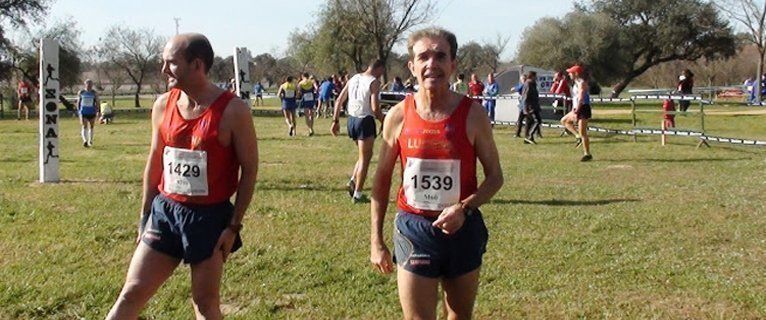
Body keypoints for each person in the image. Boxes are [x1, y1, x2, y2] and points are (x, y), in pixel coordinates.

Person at [106, 33, 258, 320]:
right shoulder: (163, 105)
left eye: (171, 63)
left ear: (196, 64)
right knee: (131, 293)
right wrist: (145, 215)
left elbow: (249, 170)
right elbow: (155, 162)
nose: (163, 70)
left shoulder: (233, 110)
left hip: (209, 219)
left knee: (204, 303)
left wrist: (233, 226)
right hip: (165, 212)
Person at [370, 27, 503, 320]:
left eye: (440, 56)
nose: (432, 64)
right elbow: (380, 182)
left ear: (452, 64)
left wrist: (464, 208)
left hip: (463, 229)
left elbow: (495, 177)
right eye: (424, 57)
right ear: (412, 66)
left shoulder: (473, 114)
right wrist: (376, 241)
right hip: (415, 228)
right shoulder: (398, 116)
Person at [331, 59, 385, 203]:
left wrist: (335, 121)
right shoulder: (373, 82)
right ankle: (358, 194)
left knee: (363, 156)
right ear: (379, 69)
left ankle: (353, 180)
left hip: (352, 120)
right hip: (364, 120)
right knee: (365, 159)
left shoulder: (354, 78)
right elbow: (375, 108)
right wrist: (384, 120)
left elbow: (339, 101)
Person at [560, 65, 593, 162]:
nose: (569, 74)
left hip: (582, 108)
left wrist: (577, 110)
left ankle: (587, 154)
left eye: (570, 72)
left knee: (583, 132)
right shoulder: (576, 83)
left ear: (576, 73)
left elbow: (581, 98)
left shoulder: (581, 83)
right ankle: (577, 136)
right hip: (576, 108)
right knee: (564, 121)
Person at [77, 79, 100, 147]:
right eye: (88, 84)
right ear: (85, 84)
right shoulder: (81, 92)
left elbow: (97, 102)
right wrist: (78, 111)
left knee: (91, 126)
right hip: (83, 111)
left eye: (91, 84)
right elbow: (78, 102)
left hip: (92, 111)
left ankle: (90, 140)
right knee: (84, 126)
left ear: (92, 85)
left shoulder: (94, 93)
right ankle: (85, 141)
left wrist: (98, 111)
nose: (89, 86)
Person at [521, 71, 541, 144]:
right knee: (537, 121)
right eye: (535, 76)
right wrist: (525, 108)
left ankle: (528, 138)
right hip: (530, 107)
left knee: (530, 123)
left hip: (534, 106)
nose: (536, 78)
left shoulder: (533, 84)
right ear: (532, 76)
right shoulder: (528, 84)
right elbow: (525, 96)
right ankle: (529, 136)